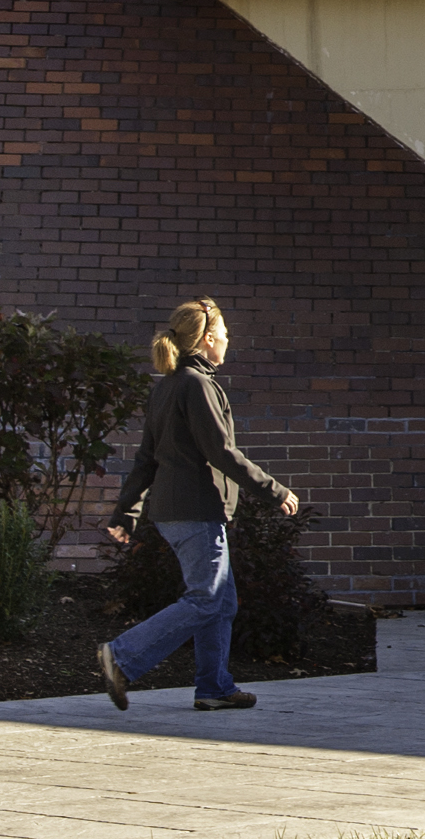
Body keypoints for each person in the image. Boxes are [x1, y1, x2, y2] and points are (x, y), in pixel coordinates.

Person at [97, 298, 300, 714]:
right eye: (225, 336)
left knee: (221, 602)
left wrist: (127, 513)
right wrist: (274, 490)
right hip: (195, 508)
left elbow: (145, 458)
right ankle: (121, 656)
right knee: (206, 597)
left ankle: (214, 687)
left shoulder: (169, 385)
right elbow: (221, 452)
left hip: (177, 510)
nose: (228, 343)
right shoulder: (196, 385)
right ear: (208, 340)